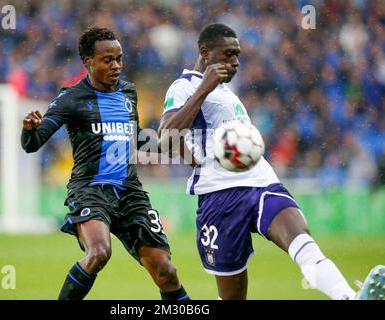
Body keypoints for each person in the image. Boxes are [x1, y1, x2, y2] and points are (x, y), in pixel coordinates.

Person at [158, 23, 384, 300]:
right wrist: (203, 89)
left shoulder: (229, 93)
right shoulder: (185, 86)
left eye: (238, 55)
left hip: (262, 183)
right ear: (205, 52)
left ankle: (348, 296)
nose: (236, 62)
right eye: (228, 54)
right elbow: (166, 138)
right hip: (219, 198)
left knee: (301, 239)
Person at [21, 26, 189, 301]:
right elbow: (32, 144)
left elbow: (137, 141)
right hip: (90, 189)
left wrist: (175, 146)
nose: (116, 66)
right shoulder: (71, 99)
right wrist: (29, 129)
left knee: (166, 271)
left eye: (119, 59)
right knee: (99, 252)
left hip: (129, 192)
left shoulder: (128, 94)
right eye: (107, 60)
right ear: (88, 61)